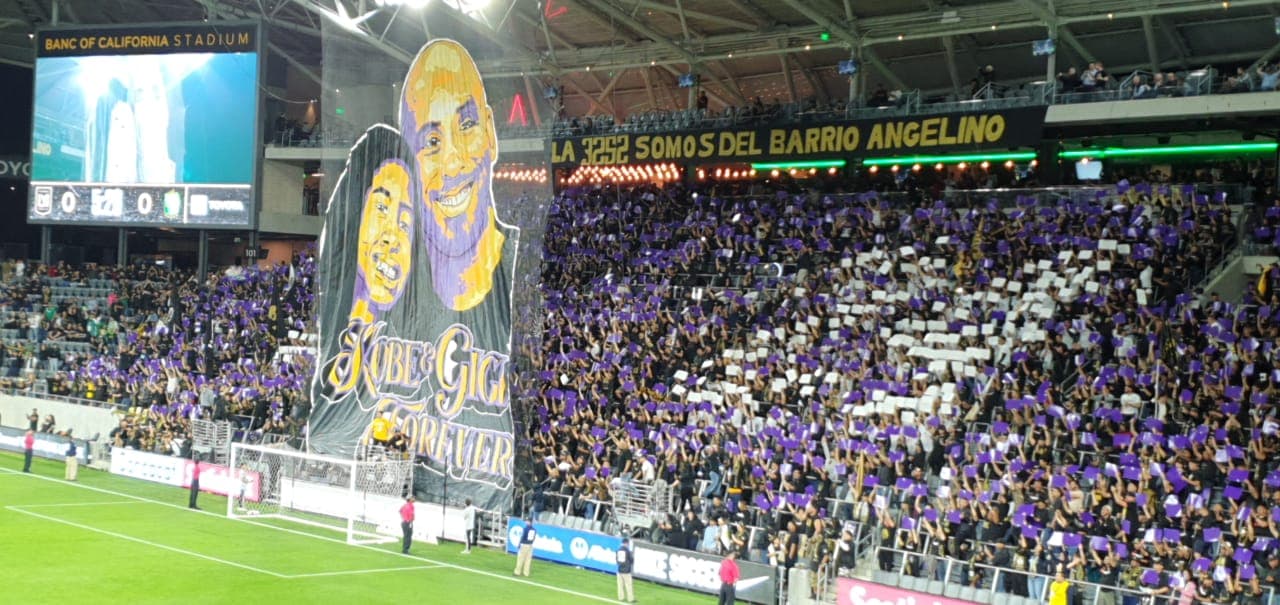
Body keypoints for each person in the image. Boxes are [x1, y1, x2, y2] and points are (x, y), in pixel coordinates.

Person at [398, 39, 518, 313]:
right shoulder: (391, 285)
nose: (453, 164)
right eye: (431, 142)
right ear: (407, 163)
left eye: (466, 125)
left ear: (490, 133)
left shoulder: (523, 264)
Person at [616, 536, 635, 603]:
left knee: (620, 585)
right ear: (627, 543)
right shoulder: (627, 551)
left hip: (619, 570)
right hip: (626, 571)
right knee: (628, 585)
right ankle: (630, 599)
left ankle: (621, 598)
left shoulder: (618, 550)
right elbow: (632, 560)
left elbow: (617, 560)